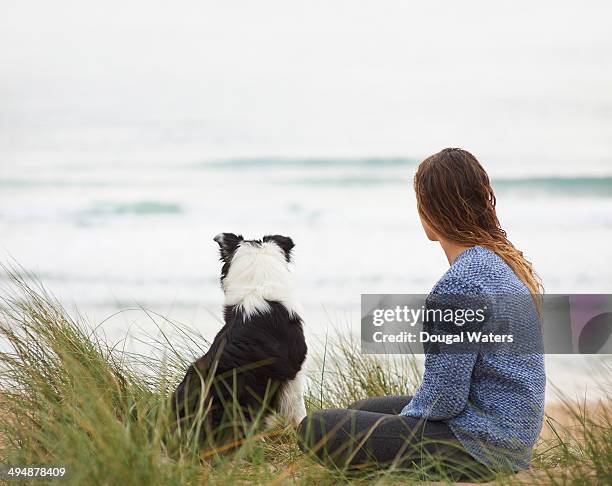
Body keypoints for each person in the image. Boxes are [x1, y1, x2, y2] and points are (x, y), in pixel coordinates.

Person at [297, 148, 546, 481]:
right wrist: (402, 420)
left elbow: (444, 399)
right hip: (509, 439)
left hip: (481, 447)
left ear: (429, 211)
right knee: (361, 410)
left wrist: (407, 422)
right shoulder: (498, 264)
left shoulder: (461, 282)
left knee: (318, 427)